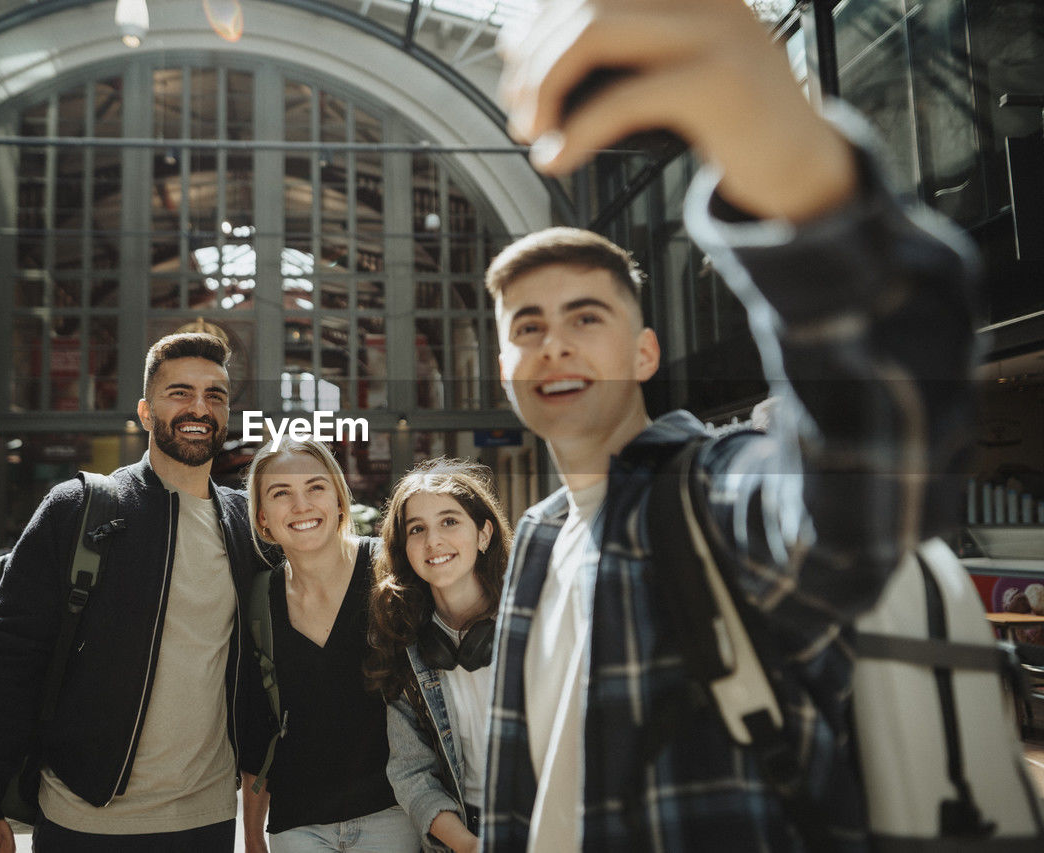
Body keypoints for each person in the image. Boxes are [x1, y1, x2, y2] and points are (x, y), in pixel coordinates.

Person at [481, 1, 979, 851]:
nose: (554, 342)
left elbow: (862, 489)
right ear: (504, 367)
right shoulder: (536, 534)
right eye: (526, 326)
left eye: (585, 317)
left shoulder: (710, 488)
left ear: (644, 352)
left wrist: (799, 180)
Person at [0, 332, 273, 852]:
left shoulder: (246, 526)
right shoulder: (78, 509)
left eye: (215, 396)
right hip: (84, 818)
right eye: (180, 392)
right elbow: (7, 660)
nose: (199, 407)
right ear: (146, 412)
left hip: (208, 817)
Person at [240, 437, 419, 853]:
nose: (301, 506)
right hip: (298, 827)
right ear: (263, 518)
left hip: (395, 814)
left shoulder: (391, 574)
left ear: (340, 500)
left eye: (315, 487)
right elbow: (257, 732)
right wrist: (252, 837)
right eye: (281, 493)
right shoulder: (257, 601)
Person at [364, 458, 512, 853]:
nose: (433, 542)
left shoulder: (534, 621)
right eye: (417, 529)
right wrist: (467, 845)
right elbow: (411, 772)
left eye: (449, 521)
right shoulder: (405, 644)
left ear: (484, 534)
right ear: (405, 548)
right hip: (464, 831)